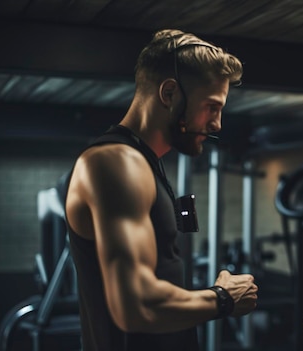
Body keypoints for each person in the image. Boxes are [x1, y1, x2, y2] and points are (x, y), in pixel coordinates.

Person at [64, 29, 258, 351]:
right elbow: (136, 306)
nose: (217, 124)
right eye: (211, 107)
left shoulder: (147, 164)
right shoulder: (116, 162)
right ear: (169, 94)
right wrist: (222, 299)